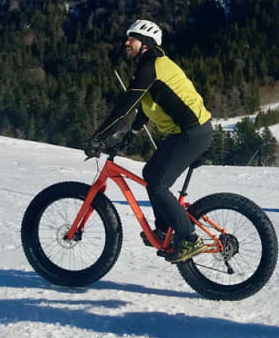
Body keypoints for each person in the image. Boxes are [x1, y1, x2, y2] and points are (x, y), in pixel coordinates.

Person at [84, 19, 214, 264]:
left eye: (131, 38)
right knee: (150, 172)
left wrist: (99, 138)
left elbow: (125, 107)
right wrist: (132, 134)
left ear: (145, 43)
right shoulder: (152, 65)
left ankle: (188, 239)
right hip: (187, 132)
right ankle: (165, 230)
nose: (126, 42)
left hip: (191, 133)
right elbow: (147, 105)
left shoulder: (151, 66)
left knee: (157, 185)